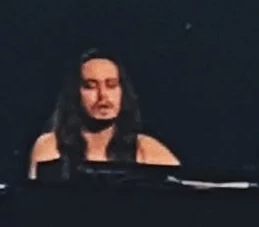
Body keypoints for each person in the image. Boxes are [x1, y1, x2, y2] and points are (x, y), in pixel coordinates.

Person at [27, 52, 177, 175]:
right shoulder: (51, 146)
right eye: (90, 86)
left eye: (111, 85)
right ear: (75, 94)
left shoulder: (146, 149)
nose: (103, 95)